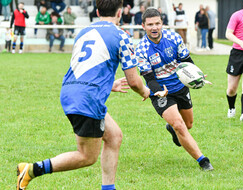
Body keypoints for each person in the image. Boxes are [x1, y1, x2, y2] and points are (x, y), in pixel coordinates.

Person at [16, 0, 150, 189]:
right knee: (87, 156)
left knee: (114, 137)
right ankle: (30, 170)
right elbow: (135, 81)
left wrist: (108, 84)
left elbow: (85, 67)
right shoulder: (121, 36)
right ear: (120, 13)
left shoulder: (83, 32)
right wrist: (146, 91)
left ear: (97, 11)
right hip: (88, 99)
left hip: (71, 91)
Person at [135, 8, 213, 171]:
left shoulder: (174, 38)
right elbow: (149, 78)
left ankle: (171, 129)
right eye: (150, 25)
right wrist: (158, 91)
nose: (154, 27)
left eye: (157, 23)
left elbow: (186, 60)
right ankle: (203, 161)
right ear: (143, 26)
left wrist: (197, 75)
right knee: (179, 125)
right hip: (160, 92)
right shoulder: (141, 48)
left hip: (181, 86)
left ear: (162, 24)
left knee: (188, 124)